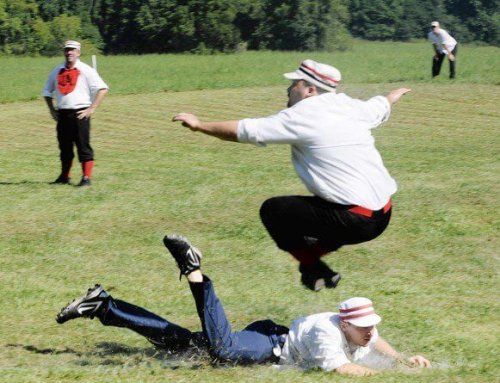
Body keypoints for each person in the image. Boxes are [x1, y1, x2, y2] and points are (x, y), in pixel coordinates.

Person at [172, 59, 411, 291]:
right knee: (319, 221)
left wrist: (199, 125)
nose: (289, 88)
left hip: (353, 220)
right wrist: (393, 96)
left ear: (309, 90)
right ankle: (315, 267)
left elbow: (245, 131)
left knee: (274, 210)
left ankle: (312, 266)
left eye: (294, 83)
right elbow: (380, 106)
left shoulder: (305, 114)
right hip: (383, 215)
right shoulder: (350, 105)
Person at [56, 234, 431, 375]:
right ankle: (195, 271)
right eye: (362, 327)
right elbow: (345, 371)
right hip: (272, 344)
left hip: (272, 333)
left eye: (370, 325)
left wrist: (403, 359)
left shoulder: (362, 327)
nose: (369, 331)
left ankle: (104, 306)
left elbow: (378, 341)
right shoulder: (325, 332)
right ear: (344, 324)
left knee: (182, 344)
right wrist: (389, 376)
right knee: (222, 349)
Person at [42, 40, 109, 187]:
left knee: (83, 146)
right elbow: (46, 91)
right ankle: (64, 176)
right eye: (67, 50)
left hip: (80, 114)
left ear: (78, 52)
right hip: (63, 114)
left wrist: (92, 108)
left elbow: (103, 88)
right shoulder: (57, 70)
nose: (69, 52)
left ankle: (86, 178)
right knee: (64, 147)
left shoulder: (86, 70)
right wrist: (52, 110)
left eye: (73, 50)